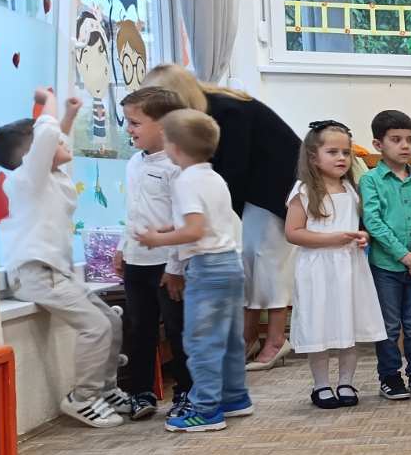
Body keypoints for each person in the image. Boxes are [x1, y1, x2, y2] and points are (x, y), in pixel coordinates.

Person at [143, 64, 301, 371]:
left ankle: (275, 340)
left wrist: (203, 219)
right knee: (251, 264)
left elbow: (231, 172)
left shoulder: (226, 111)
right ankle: (248, 338)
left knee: (268, 263)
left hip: (276, 187)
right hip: (256, 188)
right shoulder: (209, 109)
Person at [0, 89, 128, 428]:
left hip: (57, 274)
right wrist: (47, 99)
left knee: (110, 321)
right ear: (35, 152)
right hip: (37, 275)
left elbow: (54, 137)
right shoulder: (27, 180)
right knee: (95, 327)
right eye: (52, 141)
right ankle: (83, 397)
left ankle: (106, 388)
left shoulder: (51, 177)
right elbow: (49, 134)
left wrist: (68, 116)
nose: (63, 141)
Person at [135, 110, 250, 432]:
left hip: (207, 266)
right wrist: (171, 229)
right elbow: (207, 222)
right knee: (229, 338)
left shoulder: (185, 180)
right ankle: (235, 398)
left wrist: (157, 239)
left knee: (202, 342)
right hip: (229, 263)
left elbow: (195, 230)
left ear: (175, 147)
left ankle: (206, 410)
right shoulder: (213, 177)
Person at [284, 121, 387, 410]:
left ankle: (346, 382)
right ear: (313, 156)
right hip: (318, 269)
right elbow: (293, 232)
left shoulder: (351, 189)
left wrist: (363, 236)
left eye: (346, 152)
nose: (342, 158)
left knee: (347, 325)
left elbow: (357, 227)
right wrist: (332, 238)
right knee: (319, 325)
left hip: (349, 268)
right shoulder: (304, 190)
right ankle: (321, 385)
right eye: (333, 152)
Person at [117, 86, 192, 421]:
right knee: (139, 328)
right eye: (127, 122)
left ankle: (187, 391)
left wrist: (175, 267)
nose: (129, 129)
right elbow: (133, 211)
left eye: (135, 123)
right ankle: (141, 391)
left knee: (178, 329)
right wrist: (122, 247)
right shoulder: (134, 162)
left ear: (163, 126)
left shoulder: (178, 167)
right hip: (137, 261)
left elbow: (181, 220)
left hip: (167, 265)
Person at [359, 109, 411, 402]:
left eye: (409, 139)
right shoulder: (371, 180)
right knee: (390, 326)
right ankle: (390, 376)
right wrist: (403, 254)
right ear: (378, 144)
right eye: (396, 139)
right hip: (386, 268)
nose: (405, 145)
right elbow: (373, 221)